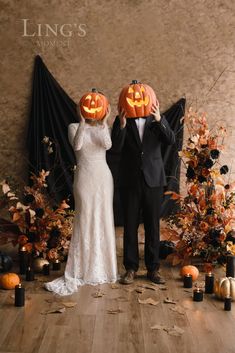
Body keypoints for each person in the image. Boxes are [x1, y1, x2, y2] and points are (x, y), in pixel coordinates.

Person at [44, 104, 118, 295]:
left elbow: (107, 145)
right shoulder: (74, 126)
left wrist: (104, 122)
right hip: (85, 176)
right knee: (84, 218)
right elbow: (76, 145)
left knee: (103, 218)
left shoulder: (104, 128)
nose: (93, 107)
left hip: (103, 176)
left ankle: (103, 267)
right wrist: (83, 123)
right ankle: (82, 267)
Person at [111, 101, 175, 285]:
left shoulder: (157, 119)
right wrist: (122, 125)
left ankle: (153, 269)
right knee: (130, 226)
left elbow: (170, 140)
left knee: (152, 226)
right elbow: (115, 147)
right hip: (129, 180)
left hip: (153, 180)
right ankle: (130, 269)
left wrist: (159, 119)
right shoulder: (121, 119)